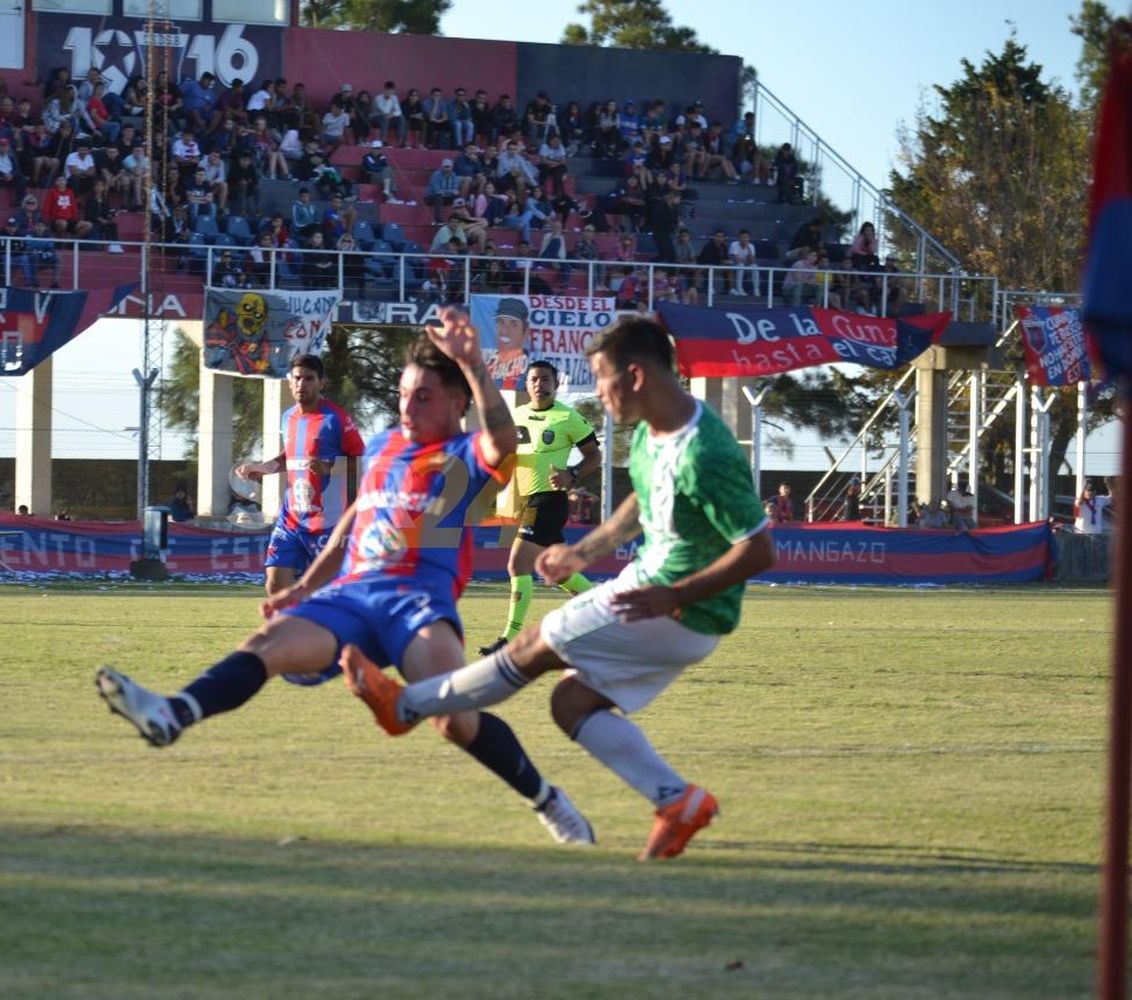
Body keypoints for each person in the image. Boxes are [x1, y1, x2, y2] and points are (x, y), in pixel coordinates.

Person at [96, 310, 595, 845]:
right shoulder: (384, 447)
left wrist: (473, 362)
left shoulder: (463, 452)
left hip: (418, 604)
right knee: (269, 643)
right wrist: (306, 586)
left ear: (457, 404)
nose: (407, 405)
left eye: (423, 396)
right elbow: (350, 526)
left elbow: (500, 437)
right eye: (404, 393)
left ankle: (550, 803)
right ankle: (172, 713)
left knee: (454, 718)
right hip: (353, 596)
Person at [343, 315, 775, 861]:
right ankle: (677, 801)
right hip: (660, 598)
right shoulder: (651, 430)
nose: (596, 393)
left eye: (601, 378)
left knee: (533, 646)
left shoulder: (705, 451)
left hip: (671, 607)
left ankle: (406, 704)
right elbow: (640, 503)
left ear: (636, 376)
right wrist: (584, 551)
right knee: (571, 703)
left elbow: (760, 548)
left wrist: (676, 594)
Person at [481, 360, 602, 654]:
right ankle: (606, 612)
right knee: (557, 571)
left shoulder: (567, 417)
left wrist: (571, 474)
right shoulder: (517, 416)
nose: (540, 384)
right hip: (527, 500)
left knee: (517, 564)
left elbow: (594, 456)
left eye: (545, 379)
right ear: (527, 384)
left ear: (555, 384)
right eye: (534, 379)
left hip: (549, 499)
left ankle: (509, 640)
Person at [233, 355, 365, 601]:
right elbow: (289, 458)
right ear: (289, 381)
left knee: (328, 596)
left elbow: (363, 462)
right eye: (297, 378)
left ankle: (324, 635)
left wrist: (331, 468)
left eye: (309, 378)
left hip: (327, 523)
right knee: (275, 585)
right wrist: (262, 468)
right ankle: (287, 636)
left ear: (321, 383)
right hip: (291, 518)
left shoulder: (336, 419)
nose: (301, 384)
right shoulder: (288, 418)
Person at [485, 298, 530, 389]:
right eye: (501, 323)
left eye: (513, 325)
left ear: (525, 331)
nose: (505, 331)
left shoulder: (530, 368)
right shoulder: (488, 365)